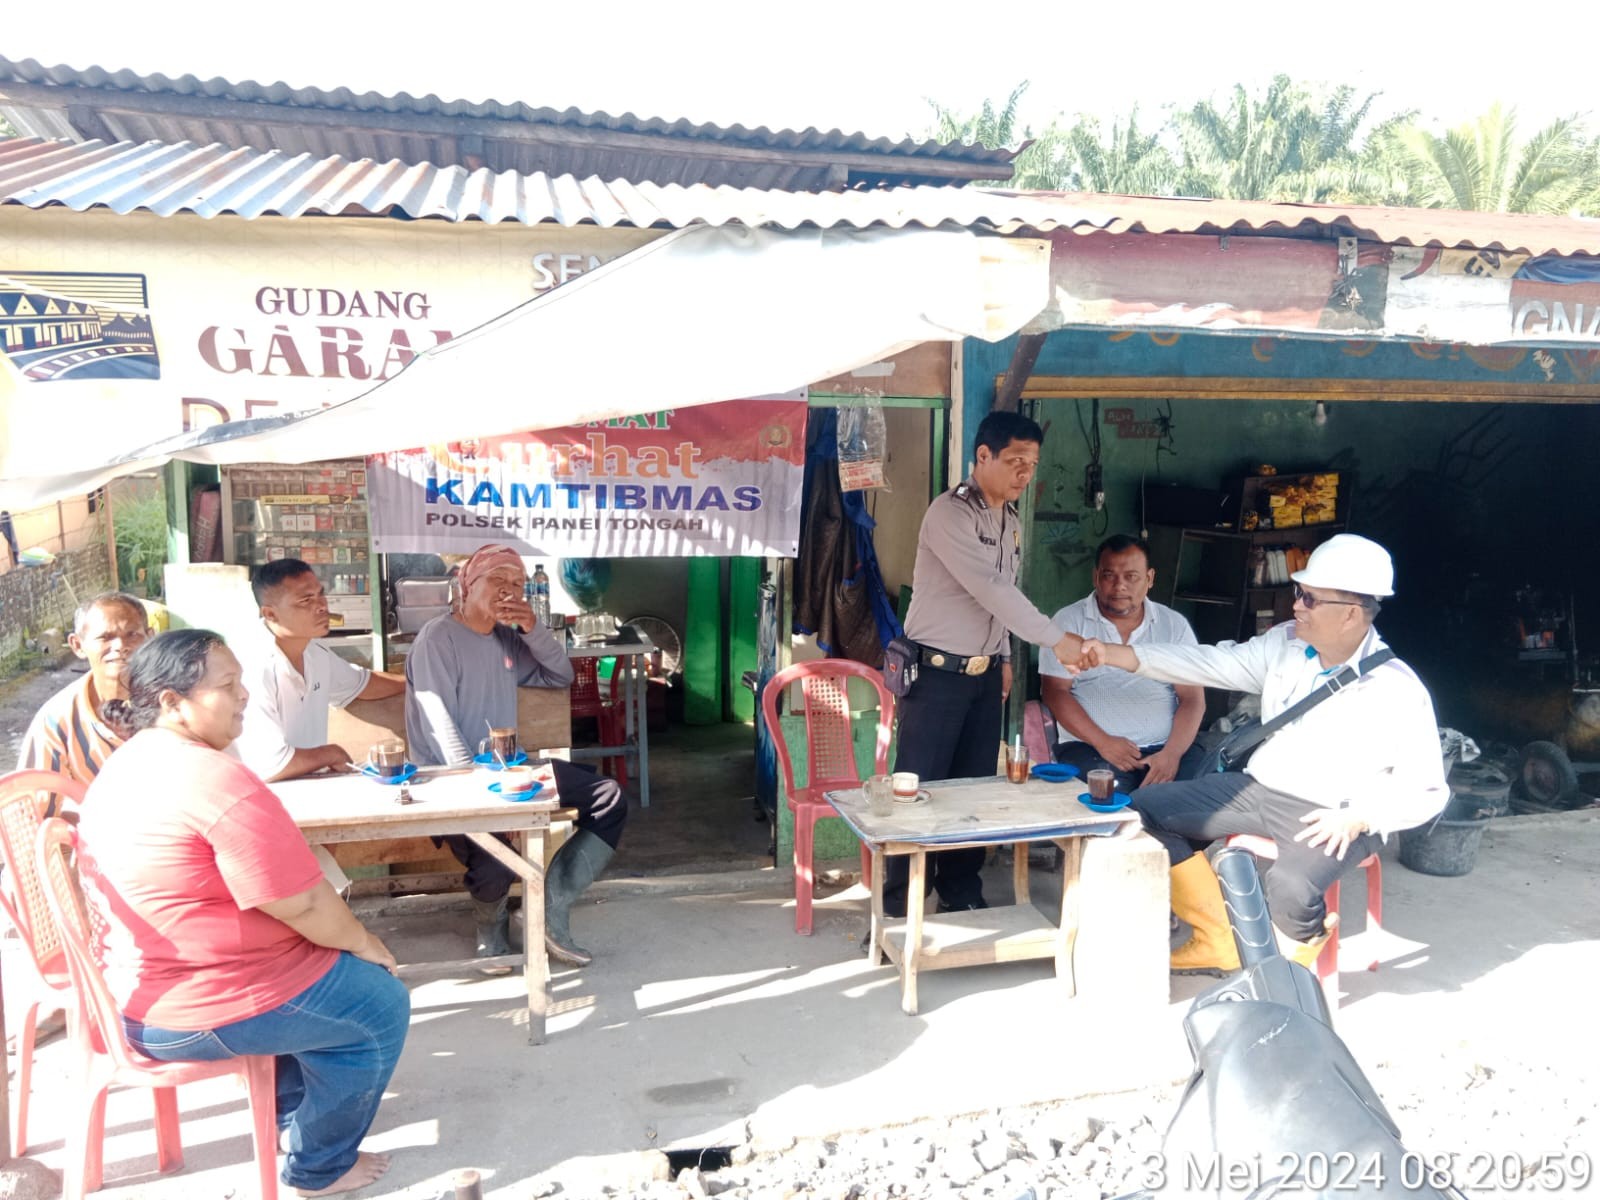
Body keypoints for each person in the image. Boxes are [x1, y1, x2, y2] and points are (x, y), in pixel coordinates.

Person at [78, 629, 410, 1197]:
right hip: (196, 1006)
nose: (244, 697)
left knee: (319, 973)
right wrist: (365, 945)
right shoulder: (210, 776)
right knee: (377, 1004)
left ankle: (287, 1119)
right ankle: (319, 1167)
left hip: (142, 996)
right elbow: (301, 900)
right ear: (171, 702)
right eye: (227, 686)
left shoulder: (129, 760)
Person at [1076, 534, 1448, 972]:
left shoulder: (1395, 688)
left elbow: (1428, 790)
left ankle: (1296, 960)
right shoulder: (1284, 643)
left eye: (1310, 598)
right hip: (1260, 789)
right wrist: (1112, 655)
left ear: (1351, 614)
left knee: (1289, 887)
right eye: (1298, 593)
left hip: (1335, 812)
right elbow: (1205, 664)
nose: (1297, 606)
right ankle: (1216, 935)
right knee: (1135, 812)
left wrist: (1362, 816)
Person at [887, 411, 1087, 917]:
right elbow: (991, 589)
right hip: (934, 677)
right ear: (983, 456)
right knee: (918, 791)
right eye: (1016, 460)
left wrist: (1001, 657)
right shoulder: (950, 514)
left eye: (1033, 463)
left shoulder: (1010, 520)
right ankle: (895, 906)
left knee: (973, 789)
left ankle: (961, 891)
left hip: (980, 680)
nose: (1026, 472)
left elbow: (1001, 599)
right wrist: (1056, 640)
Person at [405, 544, 626, 967]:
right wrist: (488, 800)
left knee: (607, 797)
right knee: (494, 859)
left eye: (518, 584)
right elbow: (440, 724)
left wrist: (532, 628)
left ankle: (550, 906)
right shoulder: (438, 637)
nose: (509, 591)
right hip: (449, 780)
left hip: (510, 770)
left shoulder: (506, 638)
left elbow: (559, 673)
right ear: (466, 585)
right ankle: (490, 926)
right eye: (498, 581)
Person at [1038, 534, 1206, 794]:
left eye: (1131, 576)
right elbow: (1054, 692)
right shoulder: (1069, 622)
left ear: (1149, 579)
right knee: (1110, 808)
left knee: (1192, 804)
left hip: (1167, 748)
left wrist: (1172, 754)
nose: (1119, 586)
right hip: (1092, 750)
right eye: (1109, 576)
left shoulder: (1173, 625)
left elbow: (1192, 698)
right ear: (1096, 577)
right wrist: (1103, 742)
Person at [234, 559, 405, 782]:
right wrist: (329, 754)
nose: (322, 606)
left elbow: (364, 684)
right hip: (265, 798)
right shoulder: (253, 666)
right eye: (306, 600)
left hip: (308, 787)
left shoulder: (315, 653)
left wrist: (416, 683)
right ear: (270, 614)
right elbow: (269, 765)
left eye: (321, 594)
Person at [18, 591, 151, 795]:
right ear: (77, 645)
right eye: (105, 638)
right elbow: (36, 806)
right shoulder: (56, 721)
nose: (120, 646)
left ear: (150, 638)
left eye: (132, 635)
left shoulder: (173, 702)